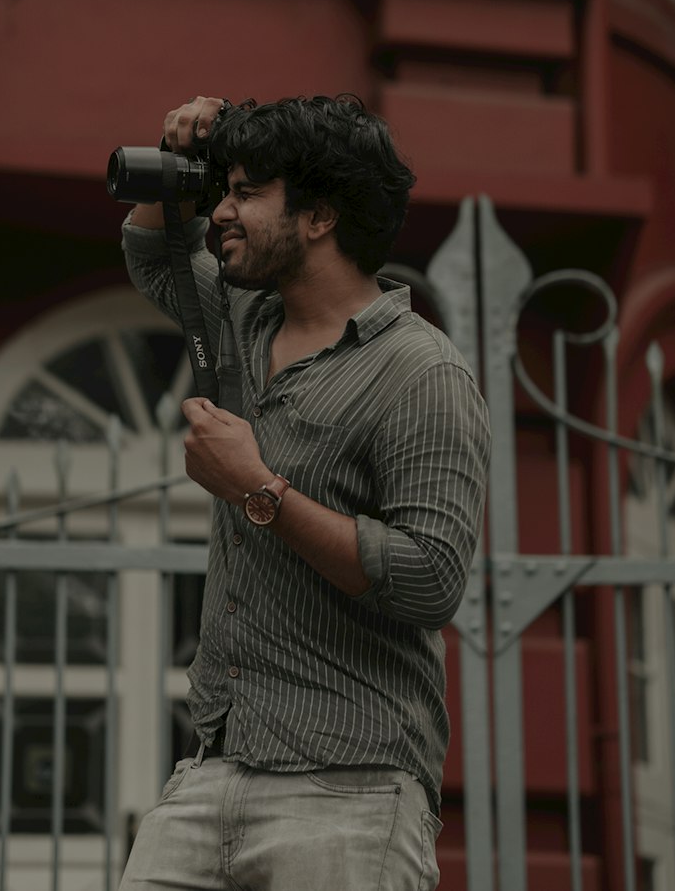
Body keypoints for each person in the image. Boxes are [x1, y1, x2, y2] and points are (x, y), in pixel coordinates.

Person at [118, 94, 490, 891]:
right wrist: (176, 154)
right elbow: (157, 255)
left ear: (319, 217)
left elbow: (430, 578)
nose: (221, 211)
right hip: (211, 769)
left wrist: (256, 488)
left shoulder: (423, 373)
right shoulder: (245, 318)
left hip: (349, 789)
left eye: (246, 192)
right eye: (225, 190)